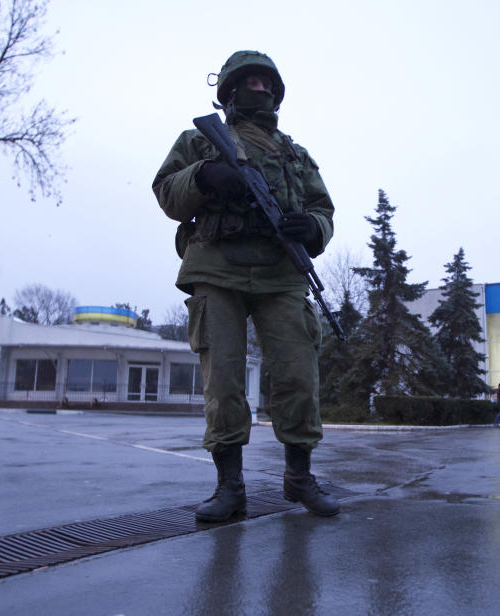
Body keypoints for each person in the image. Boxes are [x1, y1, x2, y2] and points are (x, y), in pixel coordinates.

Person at [152, 50, 339, 521]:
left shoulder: (295, 155)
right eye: (249, 81)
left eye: (265, 82)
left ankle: (299, 479)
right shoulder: (199, 140)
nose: (259, 89)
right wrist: (205, 175)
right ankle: (229, 488)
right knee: (225, 381)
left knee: (299, 375)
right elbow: (167, 192)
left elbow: (323, 210)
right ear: (230, 90)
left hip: (281, 273)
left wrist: (311, 229)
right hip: (217, 267)